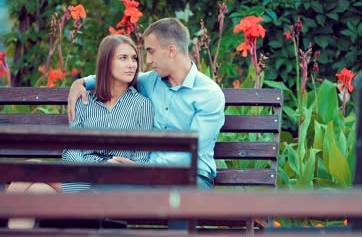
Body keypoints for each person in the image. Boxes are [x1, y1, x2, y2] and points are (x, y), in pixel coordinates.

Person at [7, 34, 154, 229]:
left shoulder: (142, 105)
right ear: (106, 62)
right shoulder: (84, 102)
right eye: (123, 58)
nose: (132, 65)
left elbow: (142, 160)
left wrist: (115, 165)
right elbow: (72, 152)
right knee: (35, 192)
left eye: (134, 58)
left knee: (33, 167)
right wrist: (93, 166)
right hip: (79, 178)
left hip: (111, 184)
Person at [68, 18, 225, 190]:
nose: (148, 60)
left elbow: (191, 152)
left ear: (171, 50)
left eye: (151, 51)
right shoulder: (150, 81)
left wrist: (143, 169)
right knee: (106, 185)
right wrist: (82, 82)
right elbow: (115, 75)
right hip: (146, 177)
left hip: (193, 176)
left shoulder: (209, 94)